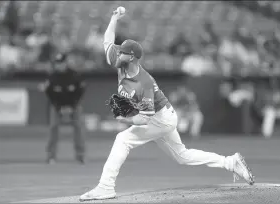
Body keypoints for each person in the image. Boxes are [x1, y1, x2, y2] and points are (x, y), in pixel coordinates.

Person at [79, 8, 255, 201]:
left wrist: (123, 118)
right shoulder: (120, 62)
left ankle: (106, 187)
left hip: (160, 119)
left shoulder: (142, 82)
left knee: (123, 139)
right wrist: (113, 18)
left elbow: (143, 119)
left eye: (121, 52)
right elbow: (107, 41)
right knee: (183, 156)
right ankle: (230, 162)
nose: (117, 53)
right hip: (162, 116)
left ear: (131, 57)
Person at [39, 53, 86, 164]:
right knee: (53, 128)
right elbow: (50, 94)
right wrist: (59, 107)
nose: (59, 66)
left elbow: (80, 93)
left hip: (74, 105)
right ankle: (51, 156)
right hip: (57, 106)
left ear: (65, 63)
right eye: (57, 64)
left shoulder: (75, 76)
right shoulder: (52, 77)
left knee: (78, 127)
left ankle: (80, 155)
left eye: (61, 63)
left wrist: (71, 107)